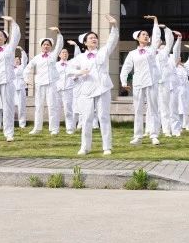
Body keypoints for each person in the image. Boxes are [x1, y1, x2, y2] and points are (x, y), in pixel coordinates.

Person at [67, 15, 119, 156]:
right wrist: (79, 72)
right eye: (91, 38)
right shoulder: (80, 57)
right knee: (87, 118)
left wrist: (114, 26)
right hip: (87, 90)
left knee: (104, 117)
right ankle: (85, 147)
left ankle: (107, 146)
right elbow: (68, 70)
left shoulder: (103, 52)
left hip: (103, 88)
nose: (94, 39)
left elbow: (112, 41)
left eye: (95, 37)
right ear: (85, 42)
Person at [120, 16, 163, 146]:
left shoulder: (152, 49)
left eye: (147, 35)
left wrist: (155, 21)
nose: (146, 36)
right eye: (143, 35)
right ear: (138, 38)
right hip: (138, 83)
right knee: (138, 110)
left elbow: (156, 37)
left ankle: (154, 135)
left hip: (152, 82)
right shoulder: (132, 53)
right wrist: (123, 82)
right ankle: (137, 136)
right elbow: (126, 68)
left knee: (153, 109)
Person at [0, 16, 20, 141]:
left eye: (1, 35)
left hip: (7, 81)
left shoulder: (10, 48)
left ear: (5, 38)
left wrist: (12, 21)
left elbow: (16, 36)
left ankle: (9, 133)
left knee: (8, 107)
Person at [27, 28, 63, 134]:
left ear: (51, 46)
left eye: (48, 45)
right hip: (40, 84)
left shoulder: (53, 55)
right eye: (44, 44)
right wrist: (27, 79)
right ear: (41, 46)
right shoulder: (37, 57)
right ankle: (37, 128)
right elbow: (28, 68)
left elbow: (59, 45)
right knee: (38, 106)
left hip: (51, 83)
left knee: (52, 106)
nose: (46, 46)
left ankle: (54, 129)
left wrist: (58, 33)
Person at [175, 43, 189, 133]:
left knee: (185, 108)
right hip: (177, 91)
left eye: (179, 57)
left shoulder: (184, 66)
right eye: (177, 57)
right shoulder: (172, 68)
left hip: (185, 90)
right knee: (178, 109)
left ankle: (186, 125)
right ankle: (178, 125)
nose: (178, 59)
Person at [56, 45, 77, 134]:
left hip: (68, 88)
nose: (65, 54)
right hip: (57, 89)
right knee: (56, 109)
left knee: (68, 109)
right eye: (63, 52)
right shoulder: (55, 65)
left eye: (66, 52)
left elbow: (75, 75)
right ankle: (55, 128)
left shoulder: (71, 64)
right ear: (59, 55)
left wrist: (73, 78)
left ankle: (69, 128)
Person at [12, 47, 29, 129]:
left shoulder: (22, 67)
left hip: (21, 87)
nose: (17, 60)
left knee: (21, 106)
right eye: (15, 59)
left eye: (18, 59)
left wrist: (22, 50)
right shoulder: (10, 68)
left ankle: (22, 123)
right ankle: (11, 122)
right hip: (12, 88)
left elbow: (25, 59)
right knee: (11, 106)